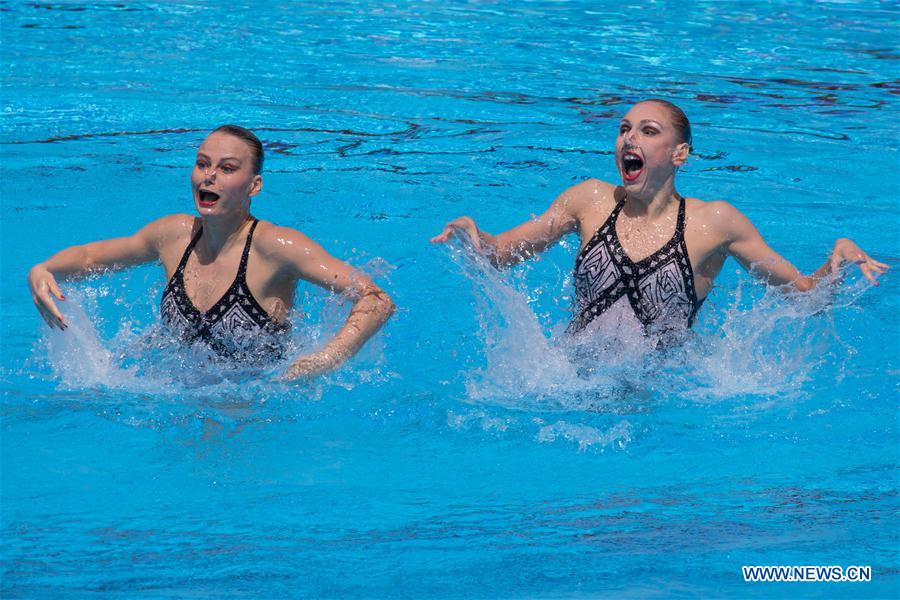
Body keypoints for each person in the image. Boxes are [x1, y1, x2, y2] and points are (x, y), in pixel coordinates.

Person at [432, 99, 887, 339]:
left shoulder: (716, 223)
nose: (629, 137)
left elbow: (806, 299)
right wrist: (475, 238)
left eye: (648, 131)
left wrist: (837, 263)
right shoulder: (588, 199)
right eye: (624, 128)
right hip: (567, 380)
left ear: (679, 154)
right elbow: (500, 257)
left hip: (658, 400)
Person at [28, 125, 395, 379]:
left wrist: (324, 360)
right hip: (174, 404)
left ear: (254, 186)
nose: (209, 176)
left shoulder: (275, 247)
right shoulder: (173, 235)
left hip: (255, 414)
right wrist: (44, 269)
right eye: (202, 163)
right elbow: (91, 258)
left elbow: (376, 299)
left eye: (227, 168)